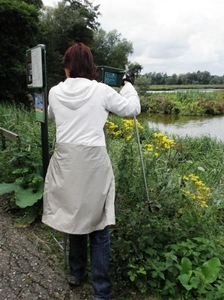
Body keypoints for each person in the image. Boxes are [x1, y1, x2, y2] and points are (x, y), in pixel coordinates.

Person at [42, 42, 140, 300]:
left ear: (68, 67)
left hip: (66, 162)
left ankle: (76, 273)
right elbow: (131, 110)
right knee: (98, 225)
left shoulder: (54, 92)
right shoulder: (101, 91)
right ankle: (101, 291)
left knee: (75, 218)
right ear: (90, 67)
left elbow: (52, 114)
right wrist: (128, 85)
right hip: (94, 163)